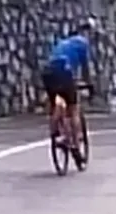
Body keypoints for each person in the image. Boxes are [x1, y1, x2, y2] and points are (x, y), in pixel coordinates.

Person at [41, 20, 95, 152]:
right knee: (73, 108)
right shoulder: (82, 44)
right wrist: (89, 85)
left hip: (48, 72)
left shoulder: (61, 43)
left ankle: (56, 131)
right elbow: (85, 68)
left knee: (55, 103)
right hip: (65, 73)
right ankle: (76, 143)